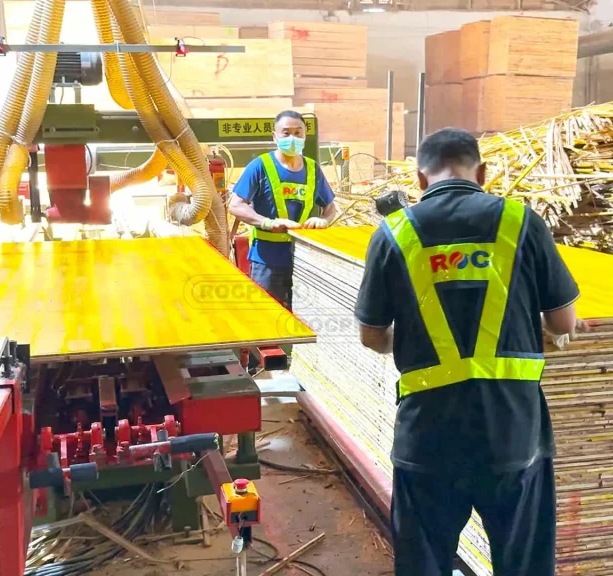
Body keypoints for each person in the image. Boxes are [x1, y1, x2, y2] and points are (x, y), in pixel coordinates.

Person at [355, 128, 585, 575]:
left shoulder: (394, 233)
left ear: (421, 180)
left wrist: (410, 342)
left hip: (428, 434)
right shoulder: (522, 222)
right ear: (483, 173)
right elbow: (563, 324)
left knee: (424, 563)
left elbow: (371, 336)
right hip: (512, 431)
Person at [229, 110, 338, 310]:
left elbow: (330, 207)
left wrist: (325, 220)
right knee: (267, 320)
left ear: (305, 135)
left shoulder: (313, 169)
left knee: (305, 321)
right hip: (267, 261)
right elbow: (235, 205)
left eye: (298, 133)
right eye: (286, 133)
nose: (292, 138)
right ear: (275, 136)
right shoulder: (260, 166)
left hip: (305, 261)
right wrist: (267, 223)